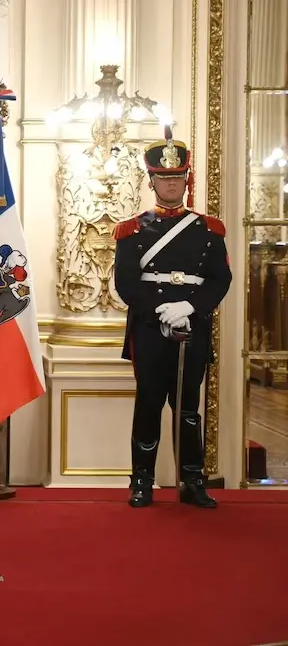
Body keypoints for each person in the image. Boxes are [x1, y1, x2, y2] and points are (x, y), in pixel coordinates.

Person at [113, 126, 231, 509]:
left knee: (188, 410)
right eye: (164, 177)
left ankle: (192, 482)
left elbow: (220, 278)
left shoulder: (209, 230)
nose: (171, 183)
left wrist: (190, 308)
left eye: (177, 177)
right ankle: (142, 482)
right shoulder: (132, 230)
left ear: (186, 179)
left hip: (192, 328)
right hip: (150, 331)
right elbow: (126, 283)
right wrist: (161, 311)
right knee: (148, 405)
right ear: (152, 180)